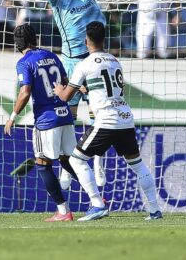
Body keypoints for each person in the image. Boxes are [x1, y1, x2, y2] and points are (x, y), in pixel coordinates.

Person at [53, 21, 162, 221]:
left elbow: (65, 97)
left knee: (76, 160)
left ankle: (97, 204)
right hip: (125, 118)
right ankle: (155, 210)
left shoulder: (84, 64)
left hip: (105, 120)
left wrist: (59, 90)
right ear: (104, 39)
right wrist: (88, 90)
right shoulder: (114, 60)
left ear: (86, 41)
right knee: (137, 165)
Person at [4, 24, 110, 222]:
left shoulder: (24, 62)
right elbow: (65, 80)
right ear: (34, 39)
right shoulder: (52, 56)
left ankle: (63, 211)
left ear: (17, 44)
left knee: (43, 164)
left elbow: (25, 91)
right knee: (69, 160)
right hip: (65, 115)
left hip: (46, 120)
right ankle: (97, 198)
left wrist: (12, 116)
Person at [39, 0, 107, 186]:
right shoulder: (58, 3)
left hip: (95, 60)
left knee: (98, 115)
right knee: (69, 116)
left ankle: (98, 163)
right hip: (71, 62)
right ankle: (68, 166)